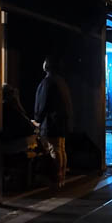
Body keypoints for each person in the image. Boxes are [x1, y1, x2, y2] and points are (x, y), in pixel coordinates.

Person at [34, 56, 73, 189]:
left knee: (54, 150)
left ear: (47, 66)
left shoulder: (48, 82)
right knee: (61, 149)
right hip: (62, 121)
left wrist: (38, 119)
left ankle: (56, 178)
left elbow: (43, 103)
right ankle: (62, 177)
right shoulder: (61, 81)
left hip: (51, 122)